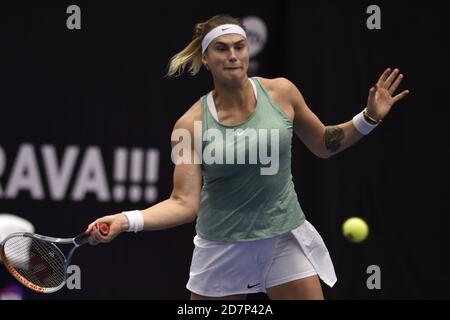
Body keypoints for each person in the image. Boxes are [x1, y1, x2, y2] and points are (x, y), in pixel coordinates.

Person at [86, 14, 409, 300]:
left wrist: (368, 117)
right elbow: (184, 203)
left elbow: (324, 143)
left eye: (239, 46)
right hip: (223, 246)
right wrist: (127, 220)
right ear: (206, 58)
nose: (233, 56)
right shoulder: (190, 125)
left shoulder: (282, 92)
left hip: (283, 234)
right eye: (222, 49)